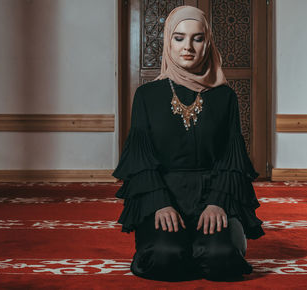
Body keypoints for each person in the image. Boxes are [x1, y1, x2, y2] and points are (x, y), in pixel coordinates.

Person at [112, 5, 264, 281]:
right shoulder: (147, 96)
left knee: (222, 261)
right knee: (163, 257)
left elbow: (230, 157)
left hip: (211, 196)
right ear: (168, 40)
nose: (188, 47)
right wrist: (159, 203)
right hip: (164, 197)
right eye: (179, 37)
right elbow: (141, 157)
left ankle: (208, 246)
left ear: (208, 42)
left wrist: (218, 202)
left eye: (198, 38)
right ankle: (187, 248)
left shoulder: (224, 97)